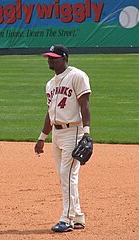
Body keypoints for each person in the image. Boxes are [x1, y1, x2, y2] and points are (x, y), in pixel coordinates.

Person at [34, 44, 92, 233]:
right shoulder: (50, 84)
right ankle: (78, 216)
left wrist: (87, 133)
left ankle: (66, 219)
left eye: (53, 57)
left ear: (64, 58)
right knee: (65, 177)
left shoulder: (77, 76)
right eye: (48, 57)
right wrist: (42, 137)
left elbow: (85, 105)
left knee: (67, 175)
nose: (49, 60)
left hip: (73, 132)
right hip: (57, 135)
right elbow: (50, 112)